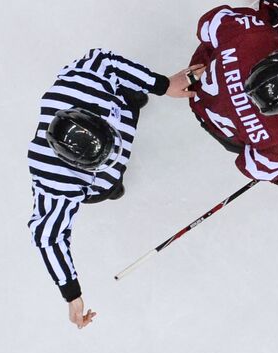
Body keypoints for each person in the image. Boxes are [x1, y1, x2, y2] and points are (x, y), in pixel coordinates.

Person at [27, 49, 198, 328]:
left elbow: (104, 60)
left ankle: (129, 104)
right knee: (108, 188)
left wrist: (163, 85)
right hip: (97, 179)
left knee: (130, 100)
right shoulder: (56, 181)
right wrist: (72, 294)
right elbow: (48, 236)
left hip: (113, 113)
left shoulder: (80, 85)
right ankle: (111, 185)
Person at [187, 0, 278, 184]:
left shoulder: (250, 36)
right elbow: (253, 168)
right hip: (218, 129)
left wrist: (267, 18)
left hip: (195, 86)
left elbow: (206, 26)